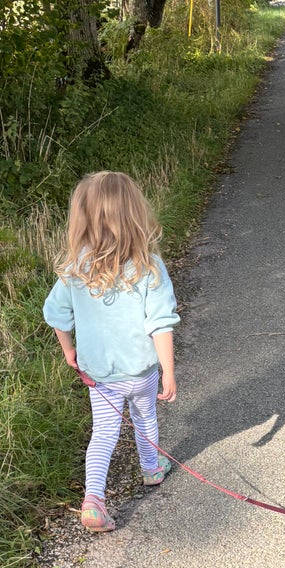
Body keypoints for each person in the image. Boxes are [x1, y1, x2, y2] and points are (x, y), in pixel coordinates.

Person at [43, 171, 180, 533]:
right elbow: (160, 322)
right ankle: (151, 468)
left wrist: (69, 351)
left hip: (100, 374)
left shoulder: (75, 269)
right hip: (142, 370)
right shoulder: (148, 265)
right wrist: (168, 370)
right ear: (134, 212)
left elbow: (56, 313)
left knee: (103, 434)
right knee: (145, 416)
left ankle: (93, 501)